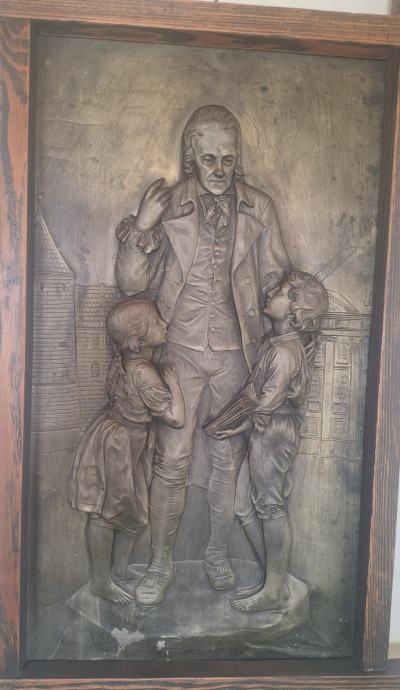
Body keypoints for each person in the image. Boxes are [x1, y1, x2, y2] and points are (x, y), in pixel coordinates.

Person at [115, 105, 291, 607]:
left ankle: (216, 552)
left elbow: (278, 279)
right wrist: (143, 225)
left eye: (228, 160)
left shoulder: (260, 207)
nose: (219, 169)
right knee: (171, 461)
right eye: (209, 159)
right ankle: (160, 563)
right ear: (192, 155)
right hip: (180, 355)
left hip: (236, 356)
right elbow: (129, 283)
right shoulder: (170, 204)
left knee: (226, 461)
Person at [208, 271, 329, 613]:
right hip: (265, 429)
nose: (270, 290)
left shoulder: (285, 353)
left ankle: (274, 590)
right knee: (243, 505)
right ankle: (274, 578)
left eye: (280, 290)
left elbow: (265, 404)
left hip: (273, 433)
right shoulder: (273, 343)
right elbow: (253, 392)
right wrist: (229, 420)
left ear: (294, 310)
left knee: (270, 507)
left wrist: (231, 428)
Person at [68, 299, 185, 605]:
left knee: (133, 512)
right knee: (106, 514)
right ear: (136, 342)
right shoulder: (144, 373)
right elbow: (176, 419)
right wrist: (174, 384)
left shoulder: (126, 361)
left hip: (124, 442)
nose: (165, 324)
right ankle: (100, 582)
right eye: (157, 322)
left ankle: (119, 570)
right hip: (117, 446)